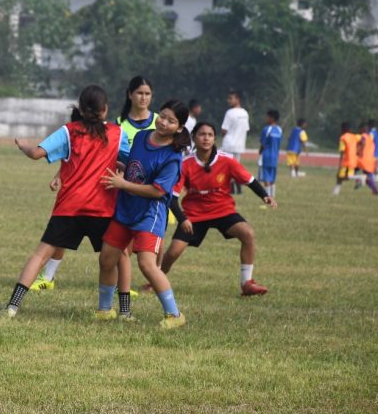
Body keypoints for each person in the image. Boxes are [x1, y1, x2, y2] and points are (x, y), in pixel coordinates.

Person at [0, 85, 129, 319]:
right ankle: (117, 311)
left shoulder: (70, 131)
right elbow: (130, 164)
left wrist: (24, 144)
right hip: (103, 209)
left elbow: (37, 153)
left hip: (70, 207)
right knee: (121, 257)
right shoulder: (118, 134)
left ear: (81, 108)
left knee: (40, 255)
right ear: (105, 109)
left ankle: (12, 308)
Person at [29, 76, 154, 294]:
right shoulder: (118, 125)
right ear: (129, 95)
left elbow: (137, 160)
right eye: (139, 93)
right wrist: (62, 172)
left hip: (128, 188)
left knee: (136, 244)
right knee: (113, 246)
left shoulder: (159, 123)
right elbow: (83, 154)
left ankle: (133, 288)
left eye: (147, 93)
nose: (143, 98)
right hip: (103, 193)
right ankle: (51, 277)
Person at [97, 99, 191, 329]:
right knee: (107, 258)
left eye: (171, 121)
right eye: (163, 116)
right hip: (126, 208)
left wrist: (122, 185)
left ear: (179, 128)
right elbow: (131, 164)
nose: (164, 122)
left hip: (150, 214)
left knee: (147, 265)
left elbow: (157, 191)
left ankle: (175, 315)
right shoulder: (141, 137)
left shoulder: (172, 156)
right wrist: (110, 162)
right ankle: (104, 310)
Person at [163, 122, 274, 296]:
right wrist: (183, 218)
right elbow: (173, 198)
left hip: (223, 211)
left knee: (248, 234)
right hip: (194, 215)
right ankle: (156, 279)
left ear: (215, 138)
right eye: (202, 134)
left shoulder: (226, 160)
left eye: (210, 135)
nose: (206, 138)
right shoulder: (185, 164)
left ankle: (247, 283)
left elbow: (249, 180)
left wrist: (264, 195)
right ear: (194, 138)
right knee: (173, 252)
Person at [221, 90, 249, 194]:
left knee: (226, 169)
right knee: (236, 168)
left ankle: (231, 189)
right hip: (239, 145)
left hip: (228, 145)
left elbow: (224, 129)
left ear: (237, 99)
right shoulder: (245, 113)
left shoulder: (229, 113)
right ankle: (239, 189)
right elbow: (246, 129)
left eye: (230, 98)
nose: (228, 101)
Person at [332, 122, 365, 196]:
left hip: (346, 160)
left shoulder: (343, 138)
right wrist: (360, 150)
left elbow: (342, 151)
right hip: (353, 159)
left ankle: (360, 177)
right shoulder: (354, 136)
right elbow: (363, 140)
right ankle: (335, 192)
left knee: (342, 176)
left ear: (342, 129)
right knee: (342, 177)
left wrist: (340, 163)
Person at [258, 109, 283, 199]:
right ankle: (273, 196)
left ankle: (268, 198)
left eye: (267, 117)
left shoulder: (266, 129)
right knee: (272, 178)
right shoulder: (279, 130)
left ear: (272, 118)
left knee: (266, 178)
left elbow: (263, 143)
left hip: (266, 156)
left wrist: (260, 152)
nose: (266, 119)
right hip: (275, 157)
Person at [354, 123, 378, 195]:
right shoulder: (371, 139)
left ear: (363, 129)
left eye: (359, 129)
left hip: (362, 159)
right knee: (368, 177)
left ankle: (358, 180)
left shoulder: (363, 136)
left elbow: (362, 142)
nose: (358, 130)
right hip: (370, 161)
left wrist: (359, 151)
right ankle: (375, 189)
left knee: (351, 170)